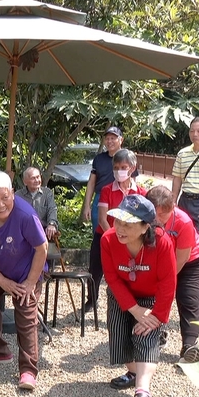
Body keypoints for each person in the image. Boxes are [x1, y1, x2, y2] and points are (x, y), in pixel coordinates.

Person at [0, 172, 48, 391]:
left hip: (26, 272)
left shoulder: (25, 214)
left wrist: (31, 282)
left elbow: (41, 248)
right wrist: (2, 281)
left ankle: (28, 370)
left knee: (26, 315)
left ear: (12, 194)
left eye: (5, 197)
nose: (1, 204)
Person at [102, 194, 176, 397]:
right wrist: (134, 310)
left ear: (145, 227)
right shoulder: (108, 240)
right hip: (121, 295)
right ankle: (134, 373)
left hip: (151, 296)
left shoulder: (162, 242)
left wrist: (157, 316)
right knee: (119, 334)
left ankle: (143, 391)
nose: (120, 228)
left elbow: (168, 282)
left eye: (128, 224)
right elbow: (112, 278)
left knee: (146, 335)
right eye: (118, 221)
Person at [146, 185, 199, 362]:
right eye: (154, 213)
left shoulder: (183, 221)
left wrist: (166, 280)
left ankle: (189, 345)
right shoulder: (143, 218)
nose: (157, 218)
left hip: (189, 261)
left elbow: (182, 257)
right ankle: (156, 334)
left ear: (172, 208)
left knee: (189, 299)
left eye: (162, 214)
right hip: (159, 260)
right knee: (153, 297)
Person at [92, 149, 147, 309]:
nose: (119, 171)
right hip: (105, 236)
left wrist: (127, 239)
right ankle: (91, 300)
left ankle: (132, 302)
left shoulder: (141, 192)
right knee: (95, 270)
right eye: (116, 168)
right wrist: (115, 237)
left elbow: (143, 220)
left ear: (132, 168)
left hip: (132, 241)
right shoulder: (107, 190)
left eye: (123, 167)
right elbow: (102, 219)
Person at [84, 127, 123, 311]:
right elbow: (91, 182)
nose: (110, 141)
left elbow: (134, 182)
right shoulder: (99, 159)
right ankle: (92, 298)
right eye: (107, 138)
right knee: (100, 242)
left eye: (113, 138)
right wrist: (86, 205)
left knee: (122, 242)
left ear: (121, 139)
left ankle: (120, 295)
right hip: (101, 199)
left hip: (121, 198)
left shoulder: (126, 157)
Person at [16, 166, 58, 241]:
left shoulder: (47, 193)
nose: (37, 180)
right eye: (33, 178)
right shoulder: (18, 196)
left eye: (38, 177)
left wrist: (51, 224)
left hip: (43, 232)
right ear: (25, 182)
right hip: (23, 233)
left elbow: (52, 209)